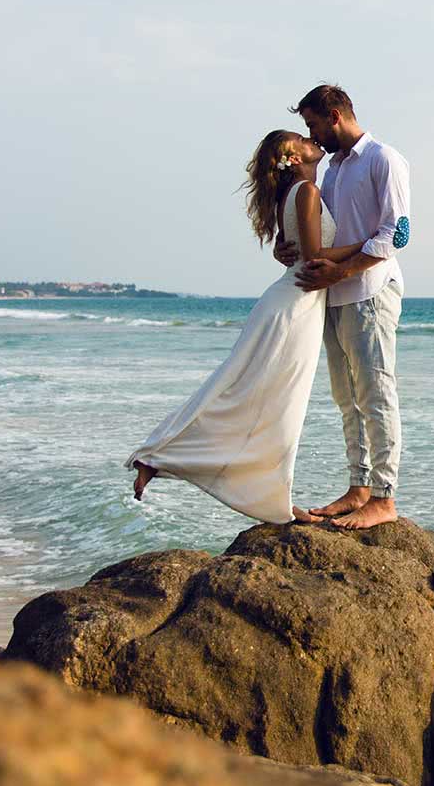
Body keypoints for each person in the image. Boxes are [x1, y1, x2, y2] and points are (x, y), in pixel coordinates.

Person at [126, 130, 348, 524]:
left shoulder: (292, 195)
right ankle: (166, 458)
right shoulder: (307, 193)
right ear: (292, 157)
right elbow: (313, 258)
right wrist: (371, 246)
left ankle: (165, 459)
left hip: (290, 303)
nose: (313, 141)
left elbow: (290, 252)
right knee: (275, 404)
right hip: (295, 307)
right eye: (303, 139)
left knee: (252, 395)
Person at [276, 84, 411, 530]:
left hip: (370, 291)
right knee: (345, 398)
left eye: (313, 124)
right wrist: (293, 245)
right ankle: (358, 487)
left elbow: (399, 234)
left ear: (334, 115)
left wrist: (341, 271)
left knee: (376, 393)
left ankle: (385, 497)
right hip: (332, 297)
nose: (311, 134)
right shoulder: (331, 169)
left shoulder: (384, 159)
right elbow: (326, 234)